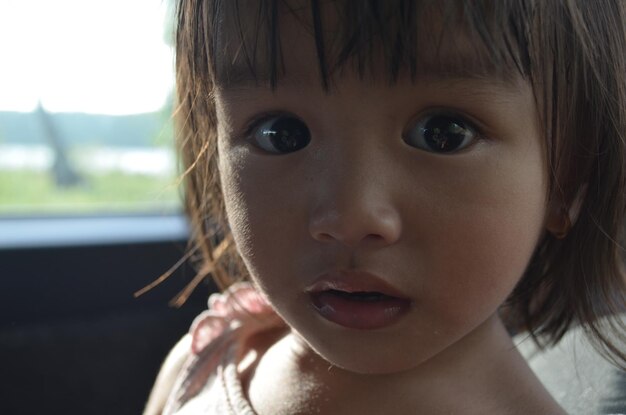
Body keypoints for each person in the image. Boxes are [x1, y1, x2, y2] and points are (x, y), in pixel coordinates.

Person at [143, 1, 626, 413]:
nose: (349, 218)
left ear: (567, 179)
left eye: (443, 134)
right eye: (280, 133)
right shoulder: (213, 354)